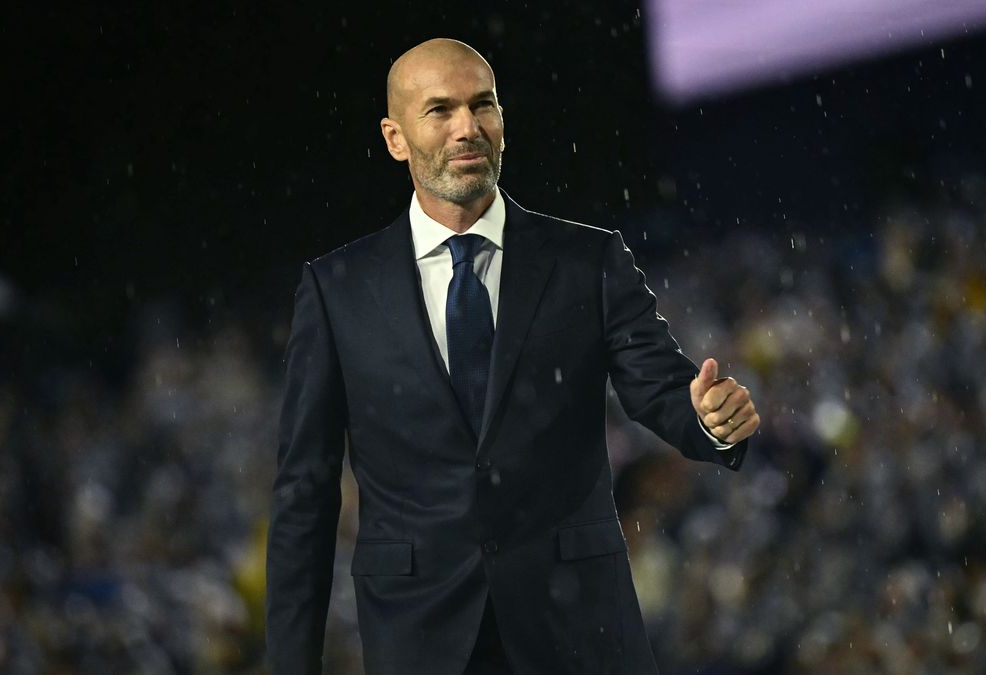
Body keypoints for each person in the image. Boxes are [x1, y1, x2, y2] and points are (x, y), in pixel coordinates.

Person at [266, 38, 760, 675]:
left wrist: (709, 422)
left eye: (483, 105)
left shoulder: (588, 261)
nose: (468, 127)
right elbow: (304, 493)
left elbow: (663, 390)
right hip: (421, 634)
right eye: (440, 110)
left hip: (579, 627)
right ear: (395, 137)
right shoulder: (337, 291)